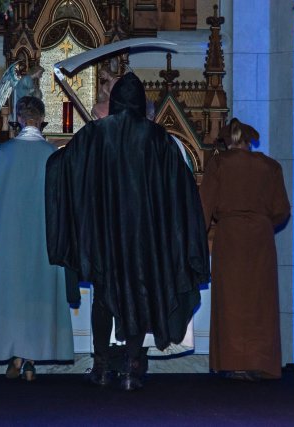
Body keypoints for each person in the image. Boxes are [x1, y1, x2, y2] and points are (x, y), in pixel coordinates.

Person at [45, 72, 209, 391]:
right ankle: (132, 369)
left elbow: (63, 166)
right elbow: (181, 187)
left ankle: (101, 367)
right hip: (145, 238)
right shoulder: (158, 138)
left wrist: (59, 159)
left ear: (117, 101)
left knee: (103, 298)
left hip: (103, 236)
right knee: (138, 297)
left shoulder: (95, 134)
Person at [0, 96, 74, 381]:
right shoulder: (52, 153)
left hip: (11, 236)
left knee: (14, 296)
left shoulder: (4, 152)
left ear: (19, 119)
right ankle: (31, 360)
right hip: (44, 236)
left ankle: (16, 355)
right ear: (42, 119)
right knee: (38, 295)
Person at [201, 118, 290, 381]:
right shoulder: (270, 166)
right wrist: (261, 223)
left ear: (226, 141)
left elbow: (204, 207)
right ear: (249, 142)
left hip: (230, 237)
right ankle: (260, 362)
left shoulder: (219, 164)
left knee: (231, 299)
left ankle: (233, 362)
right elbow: (282, 210)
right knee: (260, 299)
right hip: (261, 238)